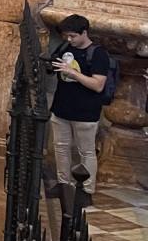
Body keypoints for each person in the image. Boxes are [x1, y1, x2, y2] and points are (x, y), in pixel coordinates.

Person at [48, 13, 111, 198]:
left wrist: (73, 73)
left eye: (73, 36)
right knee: (61, 147)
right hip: (61, 108)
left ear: (84, 33)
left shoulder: (98, 54)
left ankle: (86, 190)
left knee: (86, 151)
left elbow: (98, 85)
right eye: (66, 36)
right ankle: (63, 184)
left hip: (85, 112)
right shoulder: (66, 47)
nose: (69, 39)